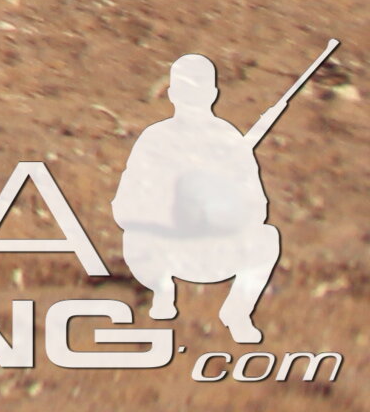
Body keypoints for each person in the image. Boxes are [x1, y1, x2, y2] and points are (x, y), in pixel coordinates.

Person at [113, 52, 287, 344]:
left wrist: (220, 197)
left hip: (219, 247)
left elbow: (257, 209)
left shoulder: (230, 142)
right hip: (168, 245)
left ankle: (238, 311)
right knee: (135, 237)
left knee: (267, 238)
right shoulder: (156, 139)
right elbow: (125, 208)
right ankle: (161, 292)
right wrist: (167, 204)